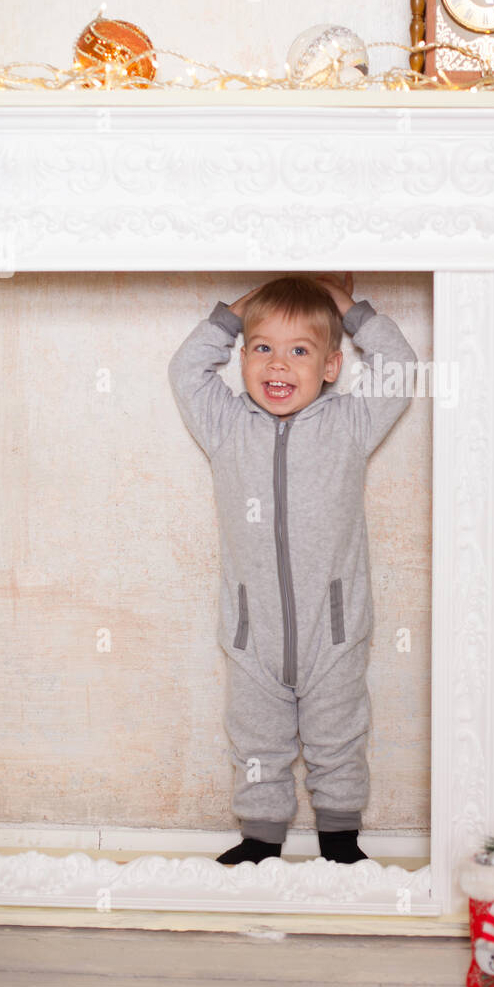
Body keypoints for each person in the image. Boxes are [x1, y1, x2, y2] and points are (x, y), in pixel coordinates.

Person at [167, 273, 417, 865]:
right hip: (252, 631)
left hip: (334, 627)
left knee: (338, 734)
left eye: (298, 351)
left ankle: (339, 840)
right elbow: (185, 371)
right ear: (243, 357)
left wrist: (344, 306)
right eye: (262, 348)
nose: (278, 365)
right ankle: (260, 839)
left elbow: (401, 367)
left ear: (331, 366)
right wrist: (239, 310)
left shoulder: (351, 423)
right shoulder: (226, 425)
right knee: (256, 738)